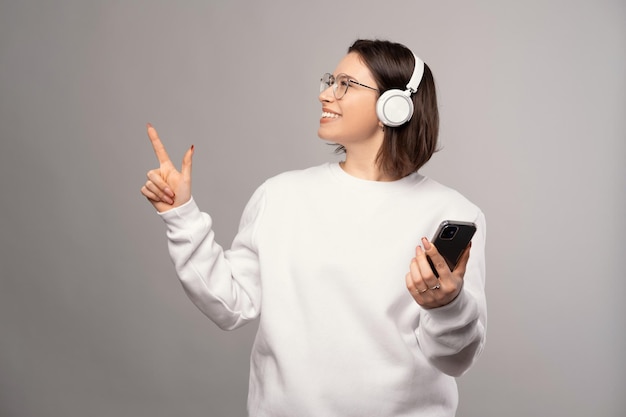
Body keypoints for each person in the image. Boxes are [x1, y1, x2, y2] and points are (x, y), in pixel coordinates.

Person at [141, 39, 487, 417]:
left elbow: (454, 361)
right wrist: (181, 214)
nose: (325, 95)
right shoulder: (281, 195)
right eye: (329, 81)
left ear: (396, 105)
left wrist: (448, 307)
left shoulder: (453, 212)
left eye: (345, 85)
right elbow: (231, 305)